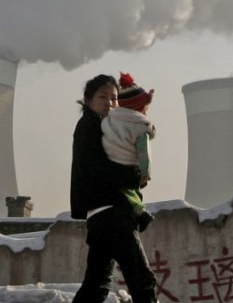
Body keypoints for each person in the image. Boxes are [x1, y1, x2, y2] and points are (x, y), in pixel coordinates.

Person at [70, 73, 157, 303]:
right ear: (88, 100)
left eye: (114, 98)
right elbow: (101, 168)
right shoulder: (91, 127)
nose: (110, 103)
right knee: (142, 280)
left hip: (101, 215)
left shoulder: (105, 127)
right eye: (102, 96)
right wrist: (135, 175)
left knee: (96, 286)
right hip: (113, 213)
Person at [101, 72, 156, 232]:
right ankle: (141, 214)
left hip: (108, 163)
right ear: (140, 108)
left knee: (121, 191)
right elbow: (144, 152)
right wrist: (145, 172)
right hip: (128, 166)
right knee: (129, 191)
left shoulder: (109, 120)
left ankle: (137, 214)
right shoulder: (140, 126)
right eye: (146, 107)